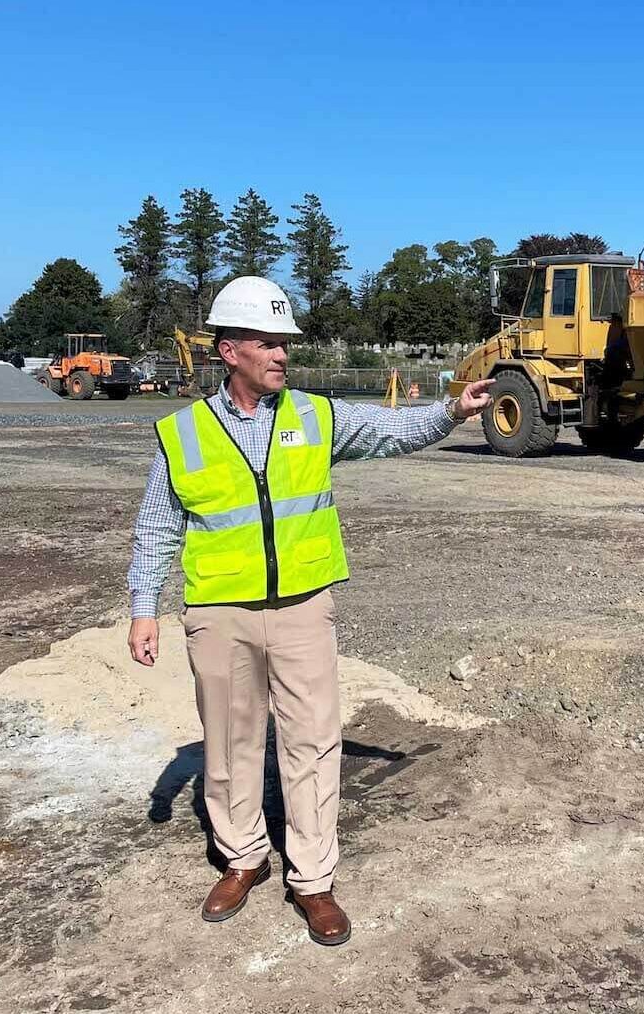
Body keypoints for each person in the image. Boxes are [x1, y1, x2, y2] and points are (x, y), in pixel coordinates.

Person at [126, 276, 491, 943]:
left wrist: (451, 412)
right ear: (229, 349)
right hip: (219, 613)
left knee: (313, 744)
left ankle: (313, 882)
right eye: (267, 343)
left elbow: (392, 430)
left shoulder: (315, 416)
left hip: (302, 609)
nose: (281, 355)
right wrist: (143, 607)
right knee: (231, 747)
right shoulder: (183, 433)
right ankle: (242, 860)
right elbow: (157, 524)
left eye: (285, 344)